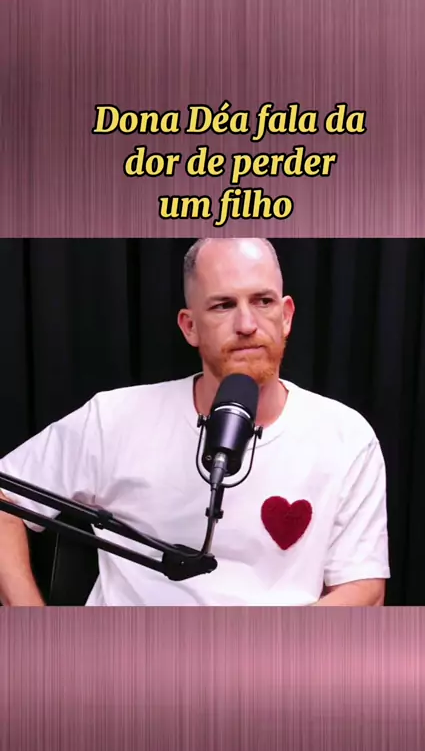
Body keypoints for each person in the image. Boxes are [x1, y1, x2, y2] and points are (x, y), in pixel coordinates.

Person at [0, 238, 390, 606]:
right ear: (190, 326)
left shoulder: (345, 436)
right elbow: (6, 497)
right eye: (223, 305)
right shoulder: (115, 418)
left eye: (263, 301)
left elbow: (363, 587)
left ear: (286, 316)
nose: (247, 324)